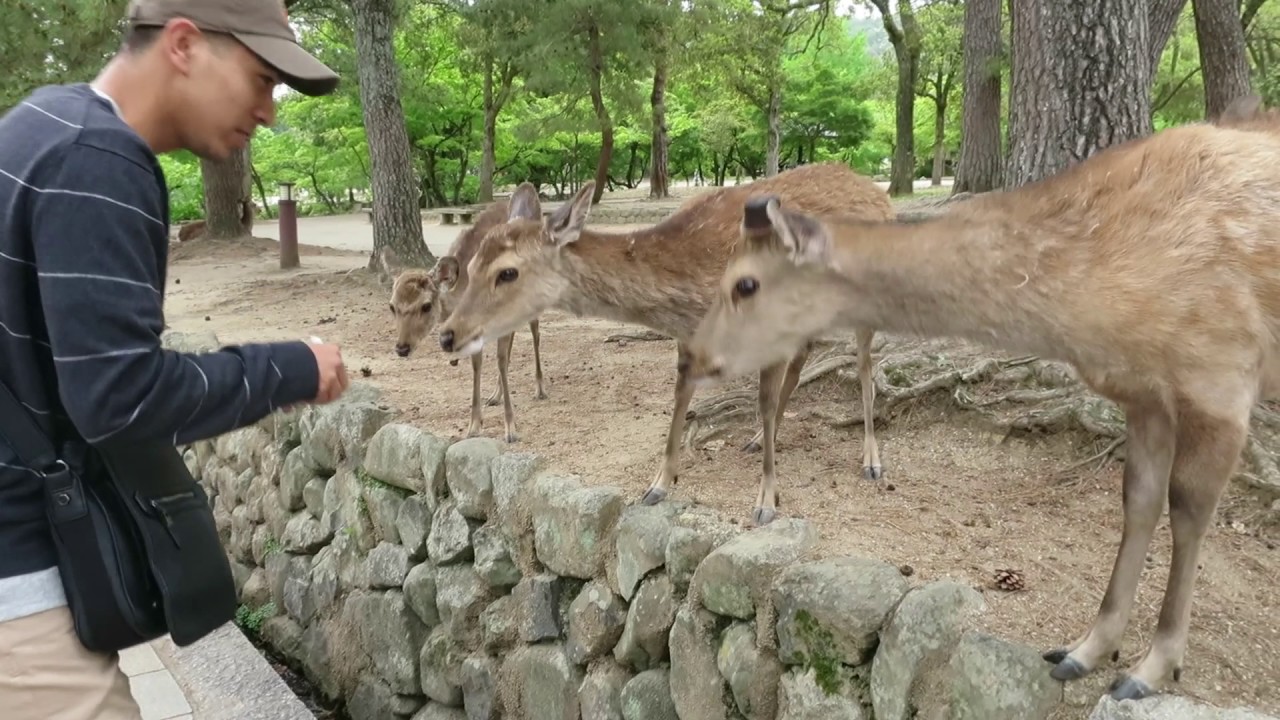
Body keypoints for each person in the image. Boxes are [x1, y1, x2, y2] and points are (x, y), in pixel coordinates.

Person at [0, 1, 349, 717]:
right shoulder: (99, 161)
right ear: (185, 44)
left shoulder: (43, 122)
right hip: (19, 596)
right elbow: (118, 397)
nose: (269, 112)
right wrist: (293, 368)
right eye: (260, 79)